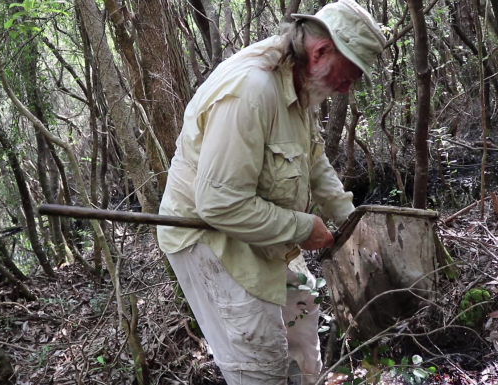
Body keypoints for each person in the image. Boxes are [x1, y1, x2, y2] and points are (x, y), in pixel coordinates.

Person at [158, 1, 385, 383]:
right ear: (321, 52)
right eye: (349, 74)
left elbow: (313, 161)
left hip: (261, 230)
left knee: (301, 326)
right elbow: (219, 204)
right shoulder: (250, 92)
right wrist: (302, 227)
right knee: (260, 361)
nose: (349, 87)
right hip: (210, 241)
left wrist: (350, 222)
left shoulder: (298, 81)